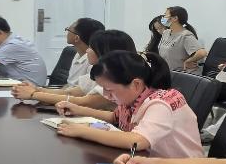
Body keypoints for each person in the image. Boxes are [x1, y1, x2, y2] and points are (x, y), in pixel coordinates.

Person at [50, 51, 202, 157]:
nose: (106, 95)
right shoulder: (134, 97)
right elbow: (114, 117)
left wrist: (82, 131)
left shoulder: (160, 104)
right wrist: (78, 110)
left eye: (109, 89)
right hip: (150, 162)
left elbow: (137, 141)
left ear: (136, 84)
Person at [12, 29, 136, 110]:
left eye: (91, 48)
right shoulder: (100, 71)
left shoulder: (118, 78)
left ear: (104, 52)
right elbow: (73, 93)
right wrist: (37, 89)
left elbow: (83, 102)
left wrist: (34, 95)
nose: (87, 51)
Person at [156, 6, 206, 74]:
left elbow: (202, 53)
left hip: (184, 74)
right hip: (169, 72)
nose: (163, 18)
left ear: (175, 18)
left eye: (165, 15)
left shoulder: (185, 35)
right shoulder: (166, 33)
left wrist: (188, 61)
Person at [63, 18, 105, 86]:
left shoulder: (93, 61)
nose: (67, 32)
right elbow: (70, 84)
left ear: (76, 38)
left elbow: (83, 90)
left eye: (68, 30)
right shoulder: (78, 54)